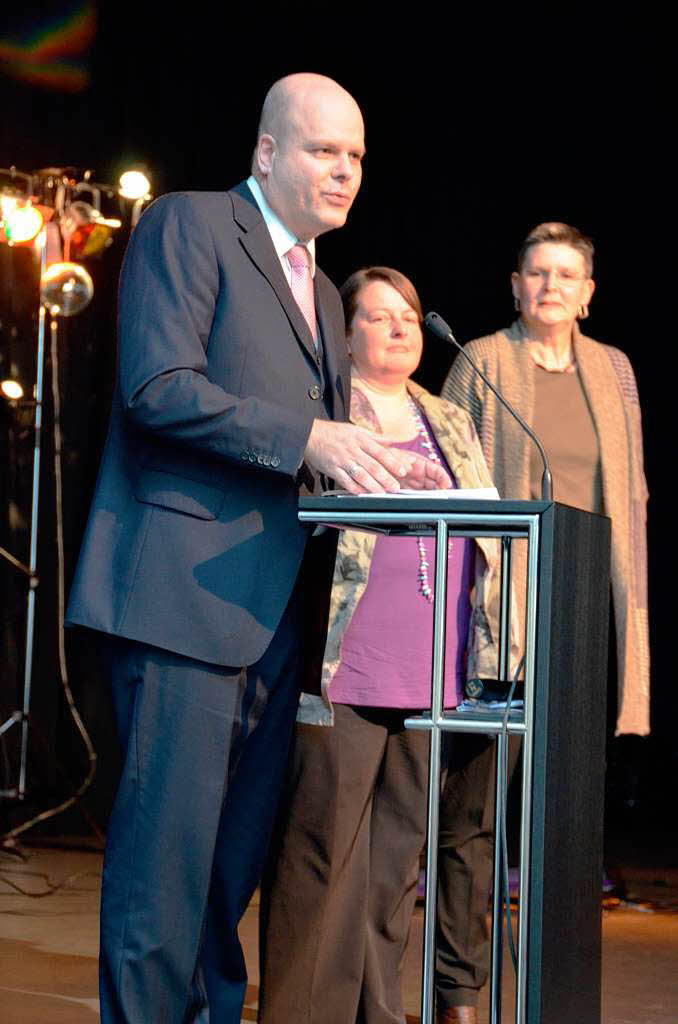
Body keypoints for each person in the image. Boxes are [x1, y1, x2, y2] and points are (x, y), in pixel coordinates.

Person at [65, 76, 450, 1024]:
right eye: (326, 151)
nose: (346, 171)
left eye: (357, 156)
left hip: (278, 623)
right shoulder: (188, 227)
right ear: (269, 153)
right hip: (182, 601)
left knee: (227, 878)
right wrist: (306, 438)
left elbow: (312, 449)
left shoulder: (322, 288)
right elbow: (157, 386)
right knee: (165, 874)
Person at [258, 267, 515, 1024]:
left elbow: (491, 528)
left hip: (436, 670)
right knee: (323, 854)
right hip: (348, 663)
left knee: (397, 864)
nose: (400, 328)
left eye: (407, 315)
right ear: (344, 336)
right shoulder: (329, 413)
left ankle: (378, 1010)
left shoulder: (451, 419)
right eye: (378, 317)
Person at [436, 221, 650, 1020]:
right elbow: (451, 476)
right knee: (477, 811)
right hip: (502, 617)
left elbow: (628, 499)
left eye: (567, 274)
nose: (552, 286)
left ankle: (554, 986)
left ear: (588, 294)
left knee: (565, 818)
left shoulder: (614, 370)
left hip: (584, 617)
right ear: (515, 286)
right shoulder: (481, 360)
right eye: (538, 273)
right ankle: (461, 986)